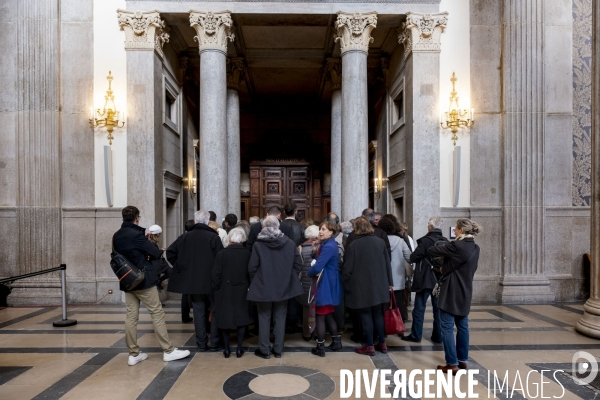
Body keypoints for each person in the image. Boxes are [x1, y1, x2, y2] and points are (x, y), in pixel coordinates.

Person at [113, 206, 190, 366]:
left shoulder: (117, 235)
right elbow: (155, 253)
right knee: (157, 313)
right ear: (137, 218)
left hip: (127, 280)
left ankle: (133, 353)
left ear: (123, 218)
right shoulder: (137, 235)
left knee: (131, 317)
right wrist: (146, 254)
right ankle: (168, 351)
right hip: (143, 281)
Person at [428, 219, 481, 374]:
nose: (455, 232)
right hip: (466, 289)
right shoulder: (476, 248)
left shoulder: (456, 245)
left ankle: (452, 363)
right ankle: (462, 359)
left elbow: (432, 250)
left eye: (456, 229)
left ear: (462, 230)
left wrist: (444, 262)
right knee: (463, 325)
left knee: (446, 327)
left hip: (451, 290)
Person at [167, 210, 224, 351]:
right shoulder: (213, 237)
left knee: (198, 312)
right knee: (215, 310)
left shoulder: (185, 237)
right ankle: (215, 342)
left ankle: (201, 343)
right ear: (207, 221)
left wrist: (181, 267)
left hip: (193, 282)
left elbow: (170, 252)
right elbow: (220, 259)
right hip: (211, 281)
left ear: (195, 220)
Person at [247, 216, 303, 359]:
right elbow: (298, 265)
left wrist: (257, 281)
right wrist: (288, 278)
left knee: (264, 317)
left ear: (263, 227)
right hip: (283, 285)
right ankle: (278, 349)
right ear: (278, 226)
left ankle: (265, 350)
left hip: (263, 285)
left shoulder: (258, 245)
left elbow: (252, 268)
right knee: (280, 316)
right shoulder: (290, 243)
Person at [343, 217, 393, 356]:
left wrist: (345, 281)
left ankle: (369, 346)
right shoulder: (380, 242)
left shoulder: (354, 245)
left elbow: (348, 268)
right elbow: (387, 264)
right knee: (378, 314)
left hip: (361, 286)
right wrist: (390, 282)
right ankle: (382, 343)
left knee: (365, 315)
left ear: (356, 228)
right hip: (380, 284)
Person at [402, 216, 447, 344]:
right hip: (439, 279)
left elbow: (413, 257)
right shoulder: (445, 241)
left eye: (428, 224)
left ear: (431, 227)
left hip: (425, 279)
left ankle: (416, 335)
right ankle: (438, 336)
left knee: (419, 308)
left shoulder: (425, 241)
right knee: (438, 309)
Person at [212, 228, 253, 359]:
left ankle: (227, 349)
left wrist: (216, 288)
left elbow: (216, 274)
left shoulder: (221, 254)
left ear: (230, 238)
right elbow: (251, 272)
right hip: (243, 289)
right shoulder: (248, 253)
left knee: (226, 318)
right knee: (241, 318)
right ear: (242, 239)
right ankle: (240, 348)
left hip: (225, 289)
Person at [307, 221, 343, 357]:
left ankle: (320, 346)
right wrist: (314, 251)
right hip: (329, 282)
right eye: (320, 229)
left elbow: (318, 266)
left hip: (325, 283)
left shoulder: (329, 246)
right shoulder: (327, 244)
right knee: (328, 314)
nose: (320, 232)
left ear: (331, 232)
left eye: (323, 229)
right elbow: (319, 259)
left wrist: (308, 273)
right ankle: (336, 341)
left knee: (320, 315)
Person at [378, 217, 411, 322]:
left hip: (383, 277)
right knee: (399, 302)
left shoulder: (379, 241)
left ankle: (386, 325)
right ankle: (399, 324)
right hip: (398, 277)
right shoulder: (400, 241)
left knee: (384, 304)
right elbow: (409, 256)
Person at [296, 224, 319, 341]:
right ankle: (316, 333)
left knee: (306, 308)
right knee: (316, 308)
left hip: (304, 281)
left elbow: (298, 266)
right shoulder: (320, 247)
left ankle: (306, 334)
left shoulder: (300, 248)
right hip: (317, 281)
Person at [146, 225, 170, 304]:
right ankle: (157, 303)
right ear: (157, 234)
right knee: (155, 286)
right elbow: (155, 254)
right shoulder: (151, 243)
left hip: (159, 264)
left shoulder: (151, 241)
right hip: (156, 265)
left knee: (169, 273)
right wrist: (161, 251)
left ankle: (159, 282)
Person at [181, 220, 195, 323]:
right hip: (193, 267)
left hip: (185, 268)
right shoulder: (193, 238)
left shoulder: (182, 237)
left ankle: (185, 316)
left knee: (185, 294)